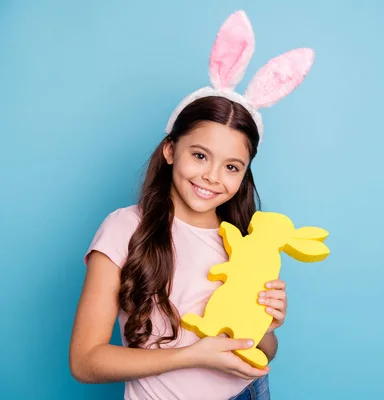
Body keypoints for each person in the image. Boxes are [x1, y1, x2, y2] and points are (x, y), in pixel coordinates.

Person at [68, 10, 314, 400]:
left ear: (244, 173)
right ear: (170, 150)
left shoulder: (245, 240)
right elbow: (85, 361)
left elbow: (265, 353)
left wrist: (266, 326)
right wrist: (192, 355)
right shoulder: (123, 229)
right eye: (200, 156)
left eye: (232, 166)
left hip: (250, 392)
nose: (213, 176)